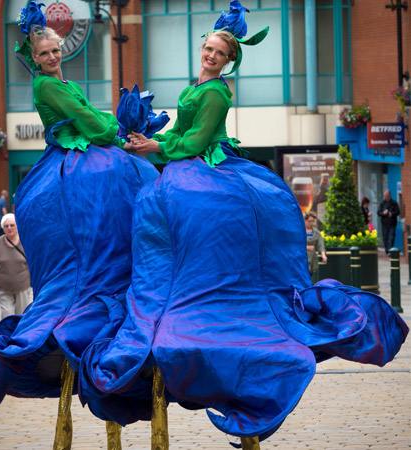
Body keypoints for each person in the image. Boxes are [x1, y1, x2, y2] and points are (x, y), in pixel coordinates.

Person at [78, 2, 408, 447]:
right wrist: (152, 142)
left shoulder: (217, 92)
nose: (211, 55)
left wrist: (156, 148)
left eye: (218, 52)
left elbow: (195, 139)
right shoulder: (198, 84)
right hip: (182, 159)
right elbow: (181, 131)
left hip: (206, 160)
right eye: (208, 48)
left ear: (229, 59)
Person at [0, 6, 159, 449]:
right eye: (46, 52)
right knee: (125, 182)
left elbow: (86, 111)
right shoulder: (48, 85)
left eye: (56, 50)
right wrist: (117, 127)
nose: (54, 56)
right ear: (34, 58)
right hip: (74, 153)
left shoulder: (58, 80)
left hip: (78, 149)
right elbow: (89, 121)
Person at [0, 213, 32, 319]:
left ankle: (18, 336)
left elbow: (32, 263)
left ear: (17, 226)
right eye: (6, 226)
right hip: (4, 289)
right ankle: (8, 336)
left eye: (12, 225)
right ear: (2, 228)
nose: (9, 228)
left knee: (21, 318)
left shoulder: (25, 241)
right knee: (7, 317)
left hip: (22, 287)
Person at [377, 189, 400, 255]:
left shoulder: (394, 203)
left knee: (391, 237)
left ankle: (390, 251)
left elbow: (398, 212)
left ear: (390, 195)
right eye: (385, 196)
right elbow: (378, 213)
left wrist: (392, 214)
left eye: (387, 196)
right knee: (385, 237)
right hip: (384, 223)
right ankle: (387, 250)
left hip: (392, 223)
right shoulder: (382, 204)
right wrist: (383, 213)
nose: (386, 197)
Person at [304, 211, 327, 276]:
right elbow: (296, 244)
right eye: (309, 221)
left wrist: (323, 255)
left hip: (312, 260)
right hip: (303, 259)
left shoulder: (316, 232)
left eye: (312, 221)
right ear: (305, 220)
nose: (311, 223)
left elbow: (320, 244)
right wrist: (307, 247)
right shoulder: (301, 231)